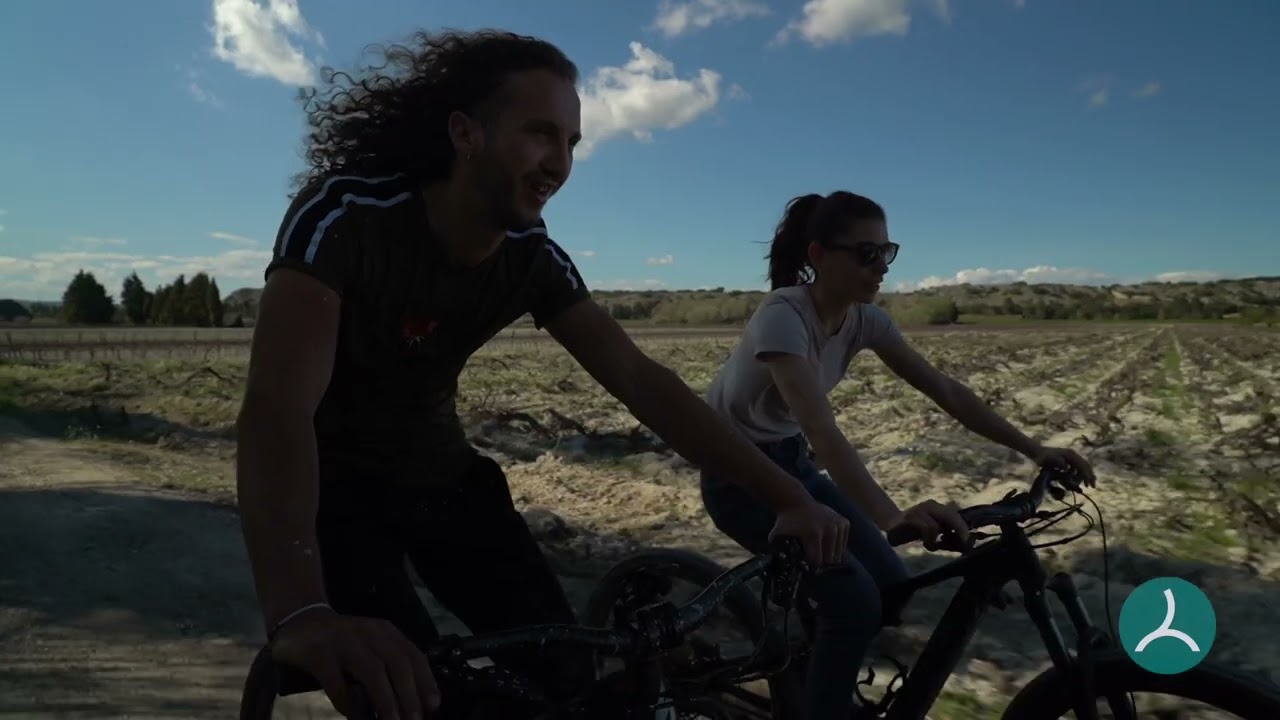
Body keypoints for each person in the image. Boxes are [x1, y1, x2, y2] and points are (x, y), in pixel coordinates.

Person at [234, 29, 853, 720]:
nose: (557, 163)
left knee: (571, 681)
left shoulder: (533, 256)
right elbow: (277, 411)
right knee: (407, 693)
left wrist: (787, 497)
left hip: (440, 479)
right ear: (465, 133)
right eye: (538, 134)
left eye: (571, 143)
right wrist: (302, 611)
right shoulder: (346, 217)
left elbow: (641, 379)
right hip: (331, 492)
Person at [699, 191, 1097, 719]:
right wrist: (889, 514)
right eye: (866, 254)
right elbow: (822, 429)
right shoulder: (783, 315)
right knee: (855, 602)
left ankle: (812, 670)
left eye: (886, 253)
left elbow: (946, 391)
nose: (880, 267)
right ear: (818, 256)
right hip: (740, 476)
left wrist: (1035, 448)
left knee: (892, 584)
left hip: (790, 461)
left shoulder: (866, 320)